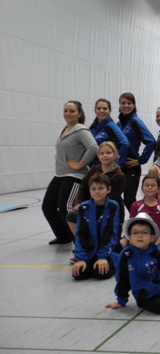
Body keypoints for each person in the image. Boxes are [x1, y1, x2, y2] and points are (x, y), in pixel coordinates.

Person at [42, 100, 98, 245]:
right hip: (60, 174)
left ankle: (81, 242)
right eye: (65, 110)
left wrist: (80, 164)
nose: (68, 113)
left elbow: (93, 147)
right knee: (47, 206)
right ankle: (63, 236)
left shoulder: (81, 130)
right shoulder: (65, 129)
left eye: (72, 111)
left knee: (66, 208)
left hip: (74, 175)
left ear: (79, 114)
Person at [68, 142, 126, 262]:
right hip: (92, 206)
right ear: (98, 156)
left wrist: (90, 207)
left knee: (113, 241)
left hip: (110, 210)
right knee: (72, 216)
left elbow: (112, 197)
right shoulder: (94, 169)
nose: (105, 155)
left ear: (115, 155)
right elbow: (83, 188)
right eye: (102, 153)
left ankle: (104, 249)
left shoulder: (119, 175)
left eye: (109, 153)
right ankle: (84, 248)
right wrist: (79, 204)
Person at [70, 173, 119, 280]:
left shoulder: (113, 206)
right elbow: (80, 234)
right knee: (79, 274)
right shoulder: (84, 207)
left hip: (107, 251)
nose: (97, 191)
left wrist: (103, 257)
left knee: (100, 273)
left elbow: (111, 233)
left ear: (108, 189)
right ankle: (91, 262)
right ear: (89, 190)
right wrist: (81, 258)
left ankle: (113, 263)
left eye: (101, 188)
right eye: (93, 189)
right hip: (90, 251)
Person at [117, 92, 156, 213]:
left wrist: (140, 160)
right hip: (118, 166)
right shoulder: (119, 124)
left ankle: (140, 222)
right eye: (123, 103)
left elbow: (151, 141)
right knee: (115, 199)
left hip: (131, 167)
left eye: (129, 103)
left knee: (129, 200)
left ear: (134, 105)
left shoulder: (135, 121)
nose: (126, 106)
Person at [129, 174, 160, 248]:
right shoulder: (135, 205)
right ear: (142, 188)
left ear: (158, 189)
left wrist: (156, 245)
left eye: (153, 185)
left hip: (157, 243)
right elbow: (132, 226)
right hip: (139, 242)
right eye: (147, 185)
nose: (150, 188)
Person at [89, 98, 129, 167]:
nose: (101, 111)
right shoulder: (93, 127)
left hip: (105, 168)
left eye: (105, 109)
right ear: (95, 110)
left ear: (109, 111)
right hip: (94, 167)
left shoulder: (111, 126)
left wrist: (115, 164)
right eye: (98, 108)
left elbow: (124, 144)